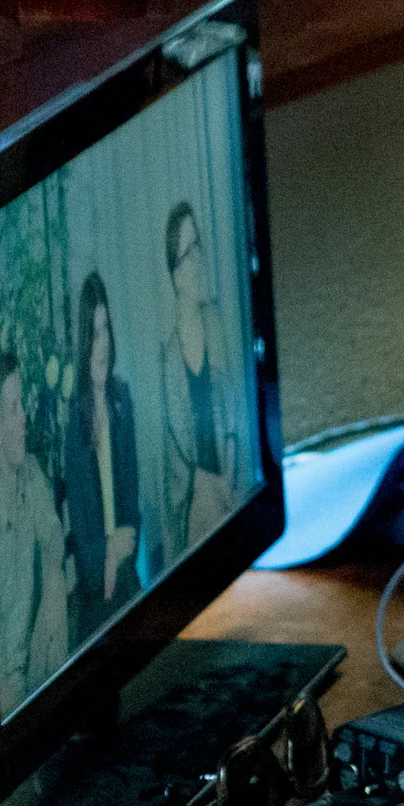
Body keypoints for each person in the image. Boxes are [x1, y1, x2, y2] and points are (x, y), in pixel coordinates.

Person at [156, 201, 242, 565]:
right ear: (174, 273)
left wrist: (230, 479)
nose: (198, 260)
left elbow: (234, 413)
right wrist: (209, 489)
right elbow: (176, 464)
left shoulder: (216, 323)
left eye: (198, 247)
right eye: (187, 253)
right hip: (195, 507)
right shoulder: (167, 358)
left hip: (230, 486)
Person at [0, 352, 73, 711]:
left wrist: (52, 575)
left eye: (22, 405)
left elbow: (53, 536)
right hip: (6, 687)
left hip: (36, 662)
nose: (24, 417)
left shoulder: (31, 473)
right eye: (13, 409)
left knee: (59, 590)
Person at [64, 271, 143, 634]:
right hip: (96, 589)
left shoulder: (122, 400)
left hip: (124, 570)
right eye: (94, 334)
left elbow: (132, 508)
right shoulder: (74, 422)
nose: (103, 345)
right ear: (84, 342)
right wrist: (107, 556)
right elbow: (83, 536)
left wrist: (119, 553)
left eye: (106, 330)